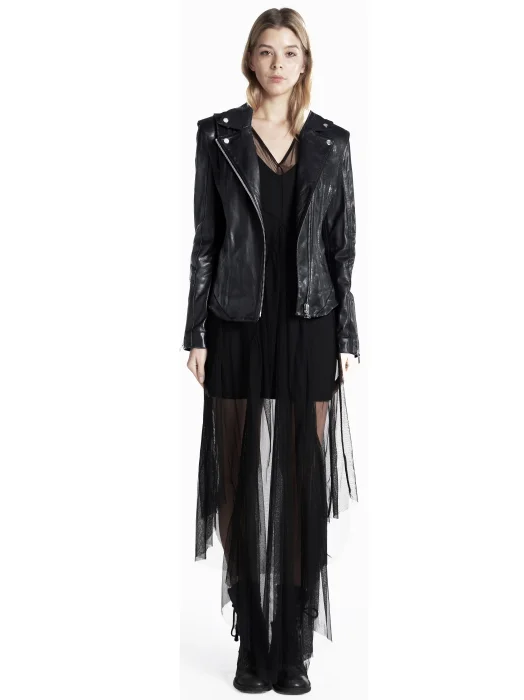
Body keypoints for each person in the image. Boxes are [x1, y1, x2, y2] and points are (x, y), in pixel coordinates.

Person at [182, 8, 360, 695]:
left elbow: (343, 251)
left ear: (304, 62)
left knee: (302, 481)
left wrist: (346, 336)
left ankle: (294, 644)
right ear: (250, 60)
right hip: (236, 321)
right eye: (266, 50)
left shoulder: (332, 144)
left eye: (290, 51)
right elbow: (205, 241)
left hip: (310, 323)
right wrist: (195, 332)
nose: (278, 62)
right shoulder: (218, 137)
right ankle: (252, 640)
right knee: (237, 480)